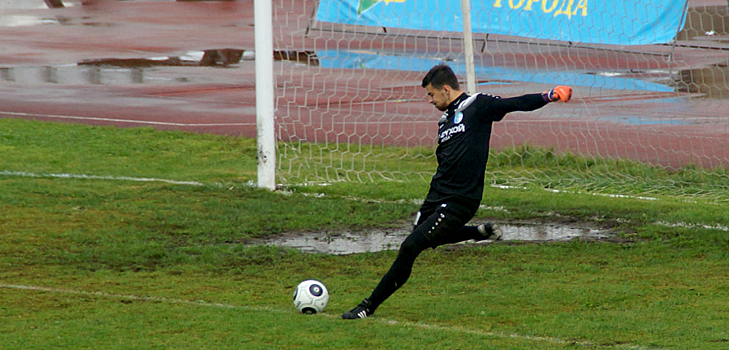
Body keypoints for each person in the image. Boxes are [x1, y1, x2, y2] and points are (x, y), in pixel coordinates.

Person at [341, 63, 572, 319]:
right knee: (425, 237)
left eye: (431, 94)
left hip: (461, 200)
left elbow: (514, 103)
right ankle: (478, 233)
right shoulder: (444, 121)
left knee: (410, 247)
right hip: (436, 196)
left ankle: (367, 307)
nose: (429, 100)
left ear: (446, 89)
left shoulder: (478, 105)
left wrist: (548, 95)